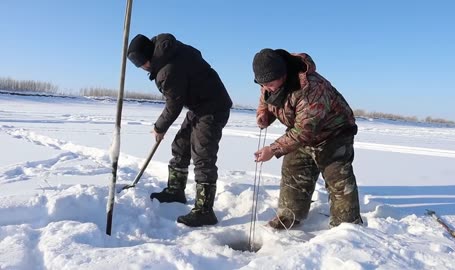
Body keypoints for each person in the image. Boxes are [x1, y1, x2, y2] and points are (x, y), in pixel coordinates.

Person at [127, 33, 232, 227]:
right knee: (181, 144)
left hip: (212, 107)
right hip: (199, 105)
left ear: (147, 59)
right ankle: (176, 191)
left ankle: (204, 211)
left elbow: (174, 104)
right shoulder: (170, 51)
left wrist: (159, 127)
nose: (141, 68)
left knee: (203, 154)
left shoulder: (167, 70)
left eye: (140, 64)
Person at [252, 48, 363, 229]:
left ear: (283, 74)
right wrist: (263, 114)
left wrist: (272, 149)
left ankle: (347, 228)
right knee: (293, 171)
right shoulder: (268, 83)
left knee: (338, 179)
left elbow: (305, 131)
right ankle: (289, 217)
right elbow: (265, 99)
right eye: (262, 83)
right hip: (301, 132)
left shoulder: (311, 88)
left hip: (333, 133)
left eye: (270, 83)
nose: (267, 87)